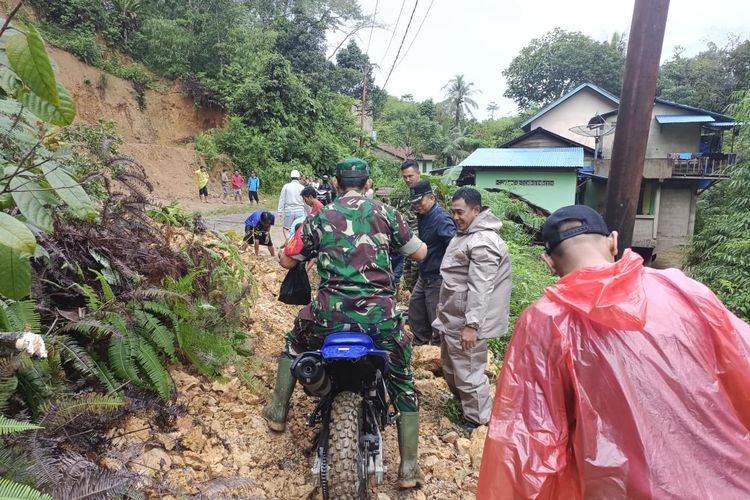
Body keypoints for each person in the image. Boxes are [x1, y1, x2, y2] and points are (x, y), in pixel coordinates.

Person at [477, 205, 750, 499]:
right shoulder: (685, 290)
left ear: (549, 263)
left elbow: (527, 444)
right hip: (732, 481)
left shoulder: (546, 322)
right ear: (613, 242)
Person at [263, 158, 428, 489]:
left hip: (329, 315)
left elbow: (284, 259)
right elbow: (420, 254)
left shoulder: (318, 216)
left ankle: (278, 413)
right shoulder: (387, 214)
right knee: (402, 378)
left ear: (336, 185)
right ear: (368, 183)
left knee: (293, 344)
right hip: (379, 320)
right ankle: (409, 468)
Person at [432, 187, 511, 431]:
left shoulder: (483, 242)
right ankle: (466, 406)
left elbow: (481, 287)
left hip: (466, 323)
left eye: (460, 212)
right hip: (453, 319)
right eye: (452, 212)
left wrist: (471, 325)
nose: (455, 217)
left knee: (468, 372)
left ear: (476, 210)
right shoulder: (467, 233)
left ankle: (477, 422)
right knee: (451, 366)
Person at [407, 180, 456, 346]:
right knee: (415, 309)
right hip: (425, 273)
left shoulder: (441, 218)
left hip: (437, 276)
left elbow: (454, 244)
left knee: (436, 315)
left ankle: (437, 350)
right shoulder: (423, 215)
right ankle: (421, 343)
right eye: (414, 204)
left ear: (432, 198)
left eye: (419, 202)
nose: (417, 206)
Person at [399, 159, 422, 291]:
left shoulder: (427, 193)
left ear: (418, 174)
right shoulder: (411, 194)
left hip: (423, 247)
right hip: (410, 246)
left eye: (410, 176)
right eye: (405, 177)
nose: (407, 180)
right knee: (410, 281)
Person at [277, 169, 305, 240]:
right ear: (299, 177)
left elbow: (282, 199)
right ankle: (297, 244)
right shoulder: (302, 187)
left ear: (291, 177)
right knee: (299, 229)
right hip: (300, 211)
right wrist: (309, 212)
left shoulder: (286, 186)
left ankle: (289, 242)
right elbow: (305, 201)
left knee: (286, 229)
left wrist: (280, 211)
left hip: (289, 211)